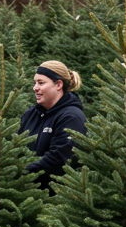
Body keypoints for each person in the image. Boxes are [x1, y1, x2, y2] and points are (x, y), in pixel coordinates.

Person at [20, 60, 86, 189]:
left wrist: (21, 173)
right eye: (35, 83)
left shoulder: (71, 117)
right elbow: (15, 147)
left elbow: (59, 160)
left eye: (41, 83)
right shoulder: (31, 114)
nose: (35, 88)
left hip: (54, 198)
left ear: (58, 84)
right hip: (25, 195)